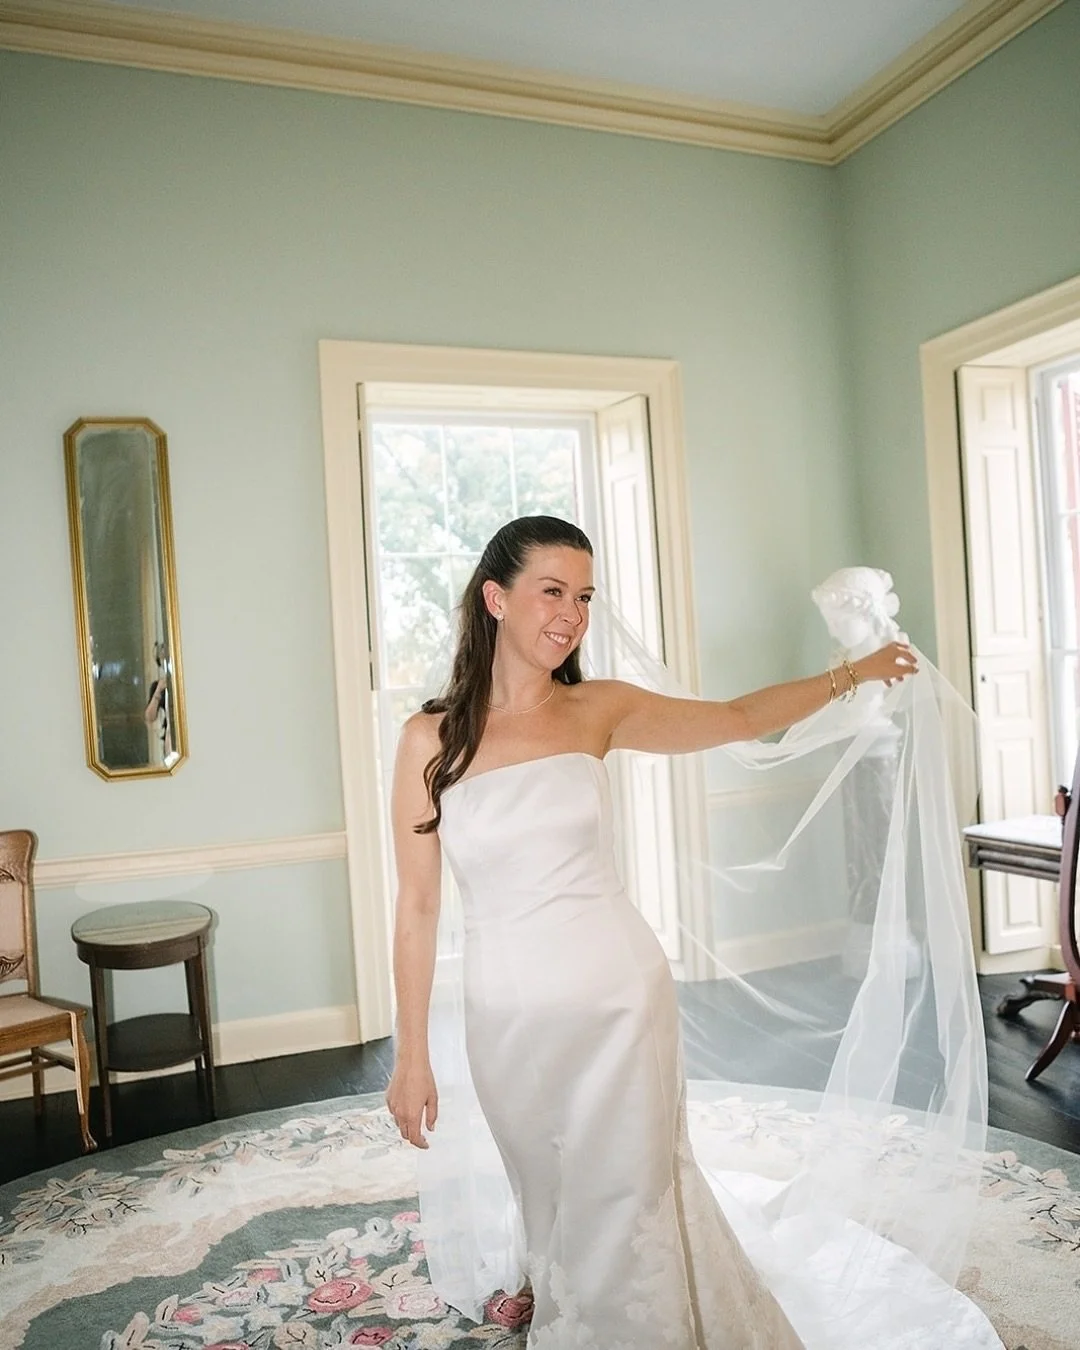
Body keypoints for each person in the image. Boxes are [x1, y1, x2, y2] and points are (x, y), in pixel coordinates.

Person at [385, 515, 921, 1347]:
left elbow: (740, 716)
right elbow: (417, 909)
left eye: (585, 596)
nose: (572, 614)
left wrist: (853, 672)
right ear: (496, 598)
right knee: (551, 1187)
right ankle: (566, 1296)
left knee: (627, 1195)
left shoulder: (599, 709)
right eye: (552, 591)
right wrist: (412, 1053)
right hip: (508, 1016)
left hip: (618, 998)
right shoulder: (430, 738)